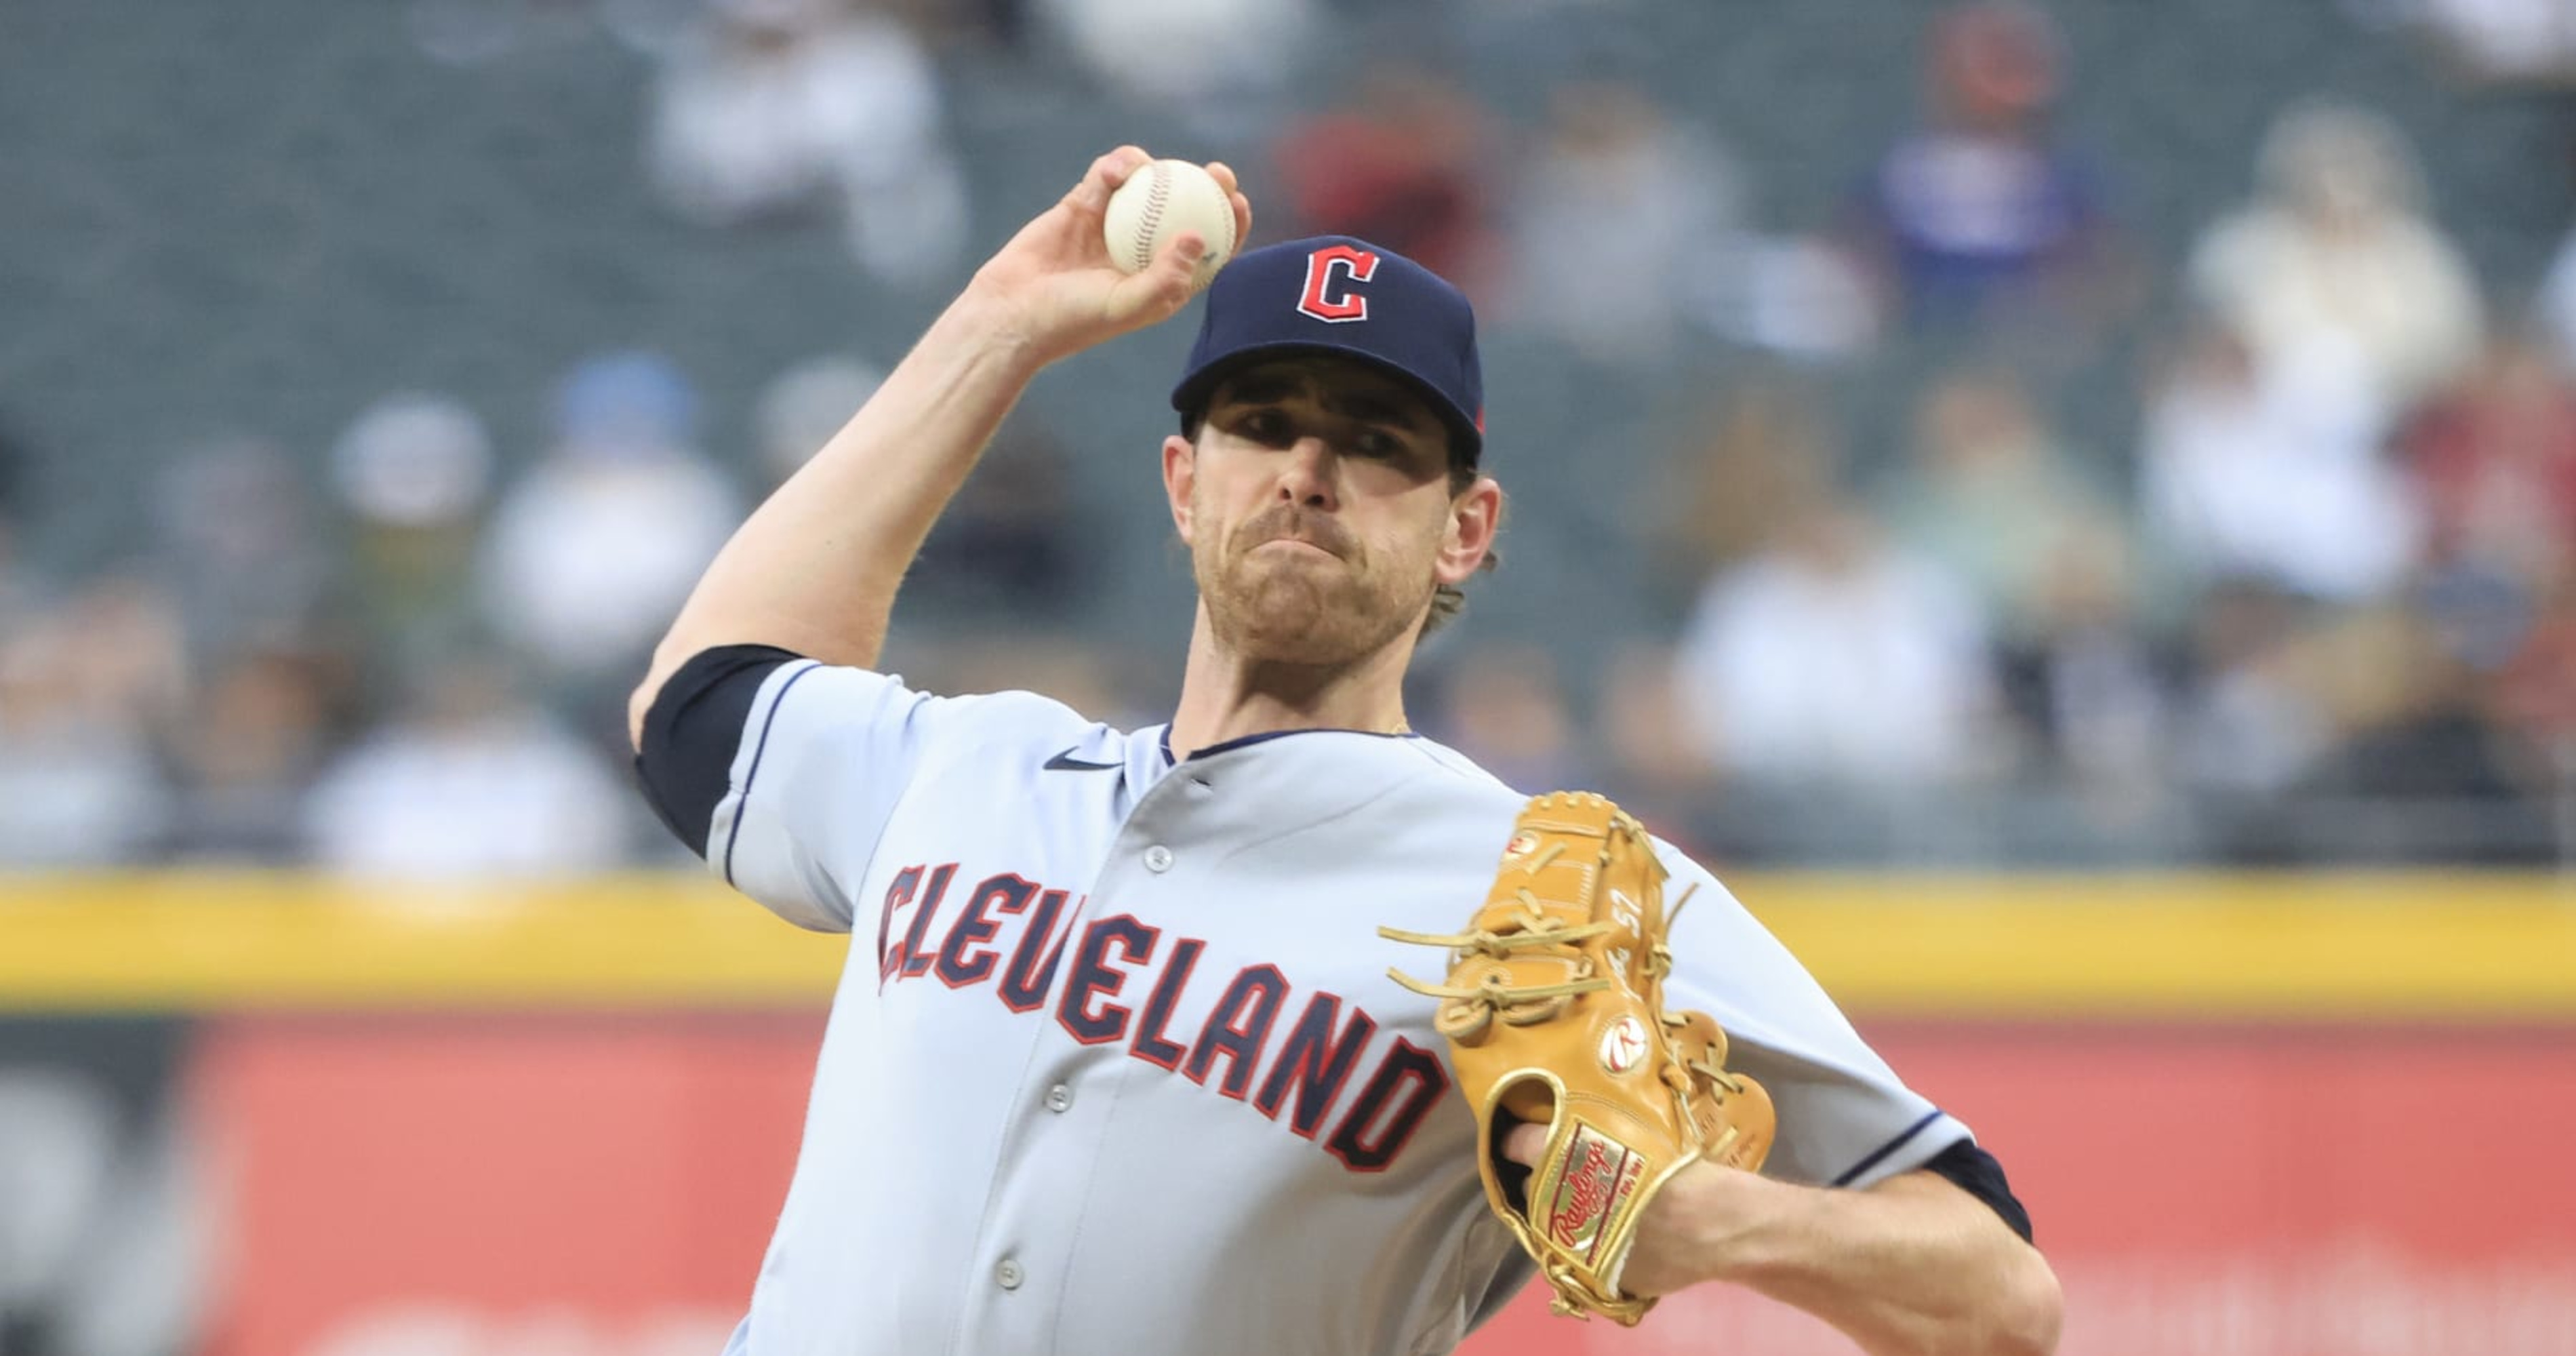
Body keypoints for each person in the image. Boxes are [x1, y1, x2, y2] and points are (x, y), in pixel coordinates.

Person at [628, 148, 2061, 1356]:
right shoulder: (967, 770)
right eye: (1260, 423)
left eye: (1375, 441)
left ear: (1466, 529)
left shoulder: (1538, 886)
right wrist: (1000, 331)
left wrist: (1704, 1217)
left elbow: (2001, 1297)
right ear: (1185, 485)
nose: (1307, 469)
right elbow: (701, 703)